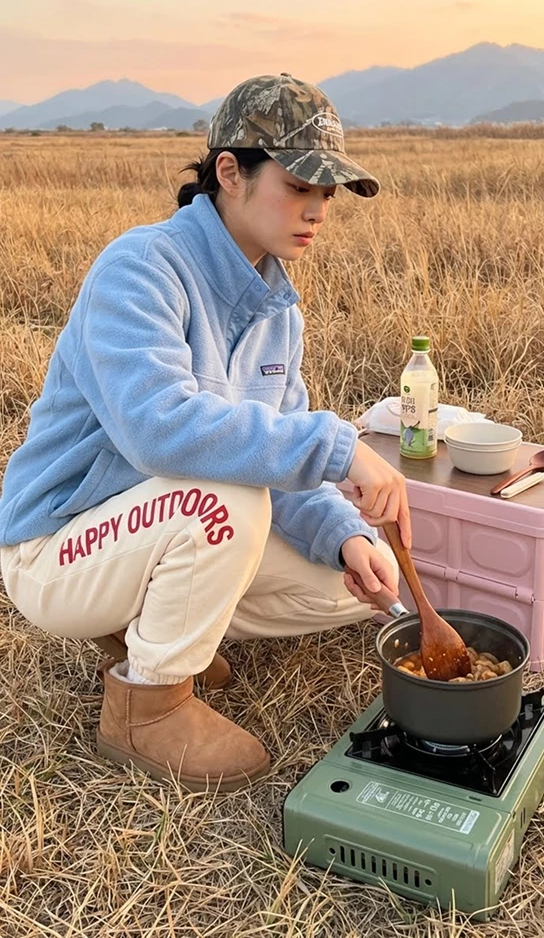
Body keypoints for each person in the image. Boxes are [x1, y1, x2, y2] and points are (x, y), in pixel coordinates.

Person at [0, 73, 410, 793]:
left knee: (353, 582)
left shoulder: (278, 308)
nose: (317, 210)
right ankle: (149, 705)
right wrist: (339, 447)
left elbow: (275, 451)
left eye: (327, 194)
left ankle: (153, 626)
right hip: (57, 546)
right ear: (230, 172)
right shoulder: (142, 268)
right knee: (228, 501)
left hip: (149, 529)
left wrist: (345, 533)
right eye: (298, 186)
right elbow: (159, 430)